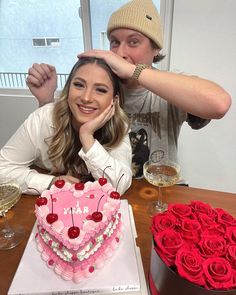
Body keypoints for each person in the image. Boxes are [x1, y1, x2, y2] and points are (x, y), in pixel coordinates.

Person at [26, 0, 231, 178]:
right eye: (114, 42)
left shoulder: (170, 85)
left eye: (133, 42)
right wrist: (46, 101)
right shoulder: (99, 87)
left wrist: (133, 70)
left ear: (156, 48)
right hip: (104, 189)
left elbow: (219, 104)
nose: (120, 52)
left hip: (158, 188)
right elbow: (61, 140)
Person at [0, 57, 132, 194]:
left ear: (114, 101)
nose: (86, 98)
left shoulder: (118, 123)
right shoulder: (43, 117)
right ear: (68, 89)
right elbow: (3, 169)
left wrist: (86, 136)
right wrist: (50, 183)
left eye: (100, 90)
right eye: (79, 85)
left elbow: (118, 186)